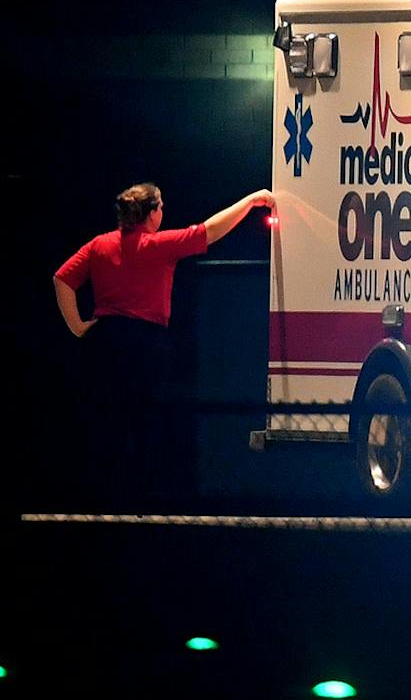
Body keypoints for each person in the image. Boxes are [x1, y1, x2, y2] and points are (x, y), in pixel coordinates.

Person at [52, 183, 274, 504]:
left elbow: (62, 278)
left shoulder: (99, 245)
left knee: (105, 418)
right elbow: (210, 231)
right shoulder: (157, 246)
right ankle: (140, 496)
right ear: (151, 213)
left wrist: (77, 326)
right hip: (146, 344)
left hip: (106, 341)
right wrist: (251, 201)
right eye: (161, 207)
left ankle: (101, 494)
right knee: (145, 418)